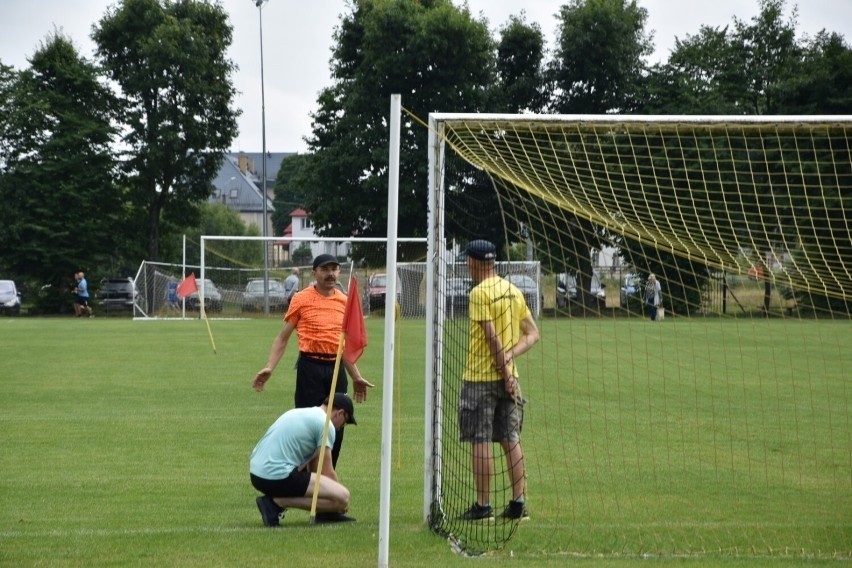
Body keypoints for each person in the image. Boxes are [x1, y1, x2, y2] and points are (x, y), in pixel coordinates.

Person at [252, 253, 374, 522]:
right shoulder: (302, 299)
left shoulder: (344, 302)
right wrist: (269, 367)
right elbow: (283, 338)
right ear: (314, 273)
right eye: (325, 270)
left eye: (335, 269)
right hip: (309, 368)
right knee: (308, 436)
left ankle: (324, 502)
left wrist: (355, 376)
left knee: (335, 435)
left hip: (336, 371)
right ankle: (291, 499)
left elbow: (344, 348)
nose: (331, 274)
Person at [458, 240, 540, 522]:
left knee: (480, 440)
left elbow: (492, 337)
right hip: (510, 378)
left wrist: (504, 369)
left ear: (475, 262)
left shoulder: (479, 293)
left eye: (467, 260)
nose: (466, 265)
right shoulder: (512, 290)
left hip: (481, 378)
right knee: (511, 439)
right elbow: (532, 334)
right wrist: (509, 360)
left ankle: (483, 506)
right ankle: (518, 504)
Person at [251, 393, 357, 527]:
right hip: (277, 475)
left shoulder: (304, 413)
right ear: (340, 413)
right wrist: (337, 502)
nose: (341, 427)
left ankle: (325, 513)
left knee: (334, 495)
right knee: (343, 497)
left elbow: (315, 467)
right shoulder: (326, 425)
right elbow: (327, 472)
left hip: (257, 474)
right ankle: (276, 503)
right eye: (345, 422)